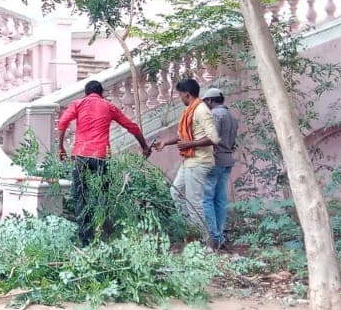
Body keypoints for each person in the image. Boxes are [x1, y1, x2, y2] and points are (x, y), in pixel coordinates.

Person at [56, 80, 152, 244]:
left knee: (81, 197)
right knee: (103, 197)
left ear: (86, 93)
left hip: (81, 156)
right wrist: (144, 146)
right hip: (100, 157)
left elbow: (62, 123)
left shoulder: (78, 104)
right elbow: (132, 127)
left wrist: (61, 148)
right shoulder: (108, 106)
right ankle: (103, 235)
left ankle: (85, 240)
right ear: (101, 93)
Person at [153, 78, 220, 245]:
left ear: (187, 94)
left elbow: (214, 138)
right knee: (175, 192)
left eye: (180, 95)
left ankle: (206, 243)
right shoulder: (190, 110)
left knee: (194, 203)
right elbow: (183, 136)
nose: (180, 98)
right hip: (189, 160)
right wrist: (165, 142)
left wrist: (190, 143)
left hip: (199, 162)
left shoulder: (201, 110)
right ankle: (191, 231)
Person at [201, 87, 239, 250]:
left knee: (207, 198)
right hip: (227, 160)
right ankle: (220, 235)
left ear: (210, 100)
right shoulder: (231, 116)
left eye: (206, 102)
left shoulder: (216, 115)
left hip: (215, 160)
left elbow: (212, 138)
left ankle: (214, 236)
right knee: (220, 199)